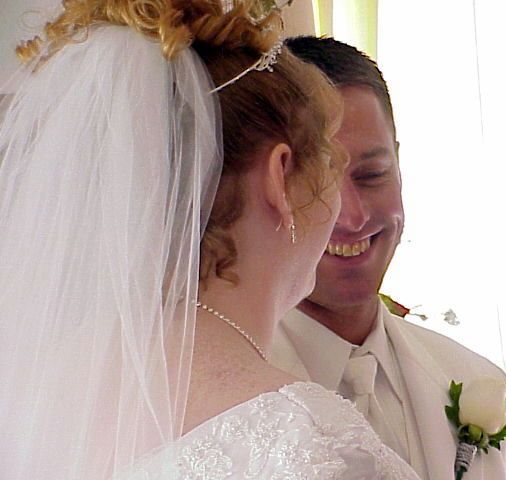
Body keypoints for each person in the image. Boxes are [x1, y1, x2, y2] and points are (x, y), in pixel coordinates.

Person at [0, 3, 421, 479]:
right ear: (280, 176)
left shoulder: (33, 392)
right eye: (328, 161)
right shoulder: (314, 444)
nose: (347, 210)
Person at [271, 36, 506, 480]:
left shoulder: (477, 379)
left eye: (372, 175)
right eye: (316, 182)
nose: (352, 216)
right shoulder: (205, 404)